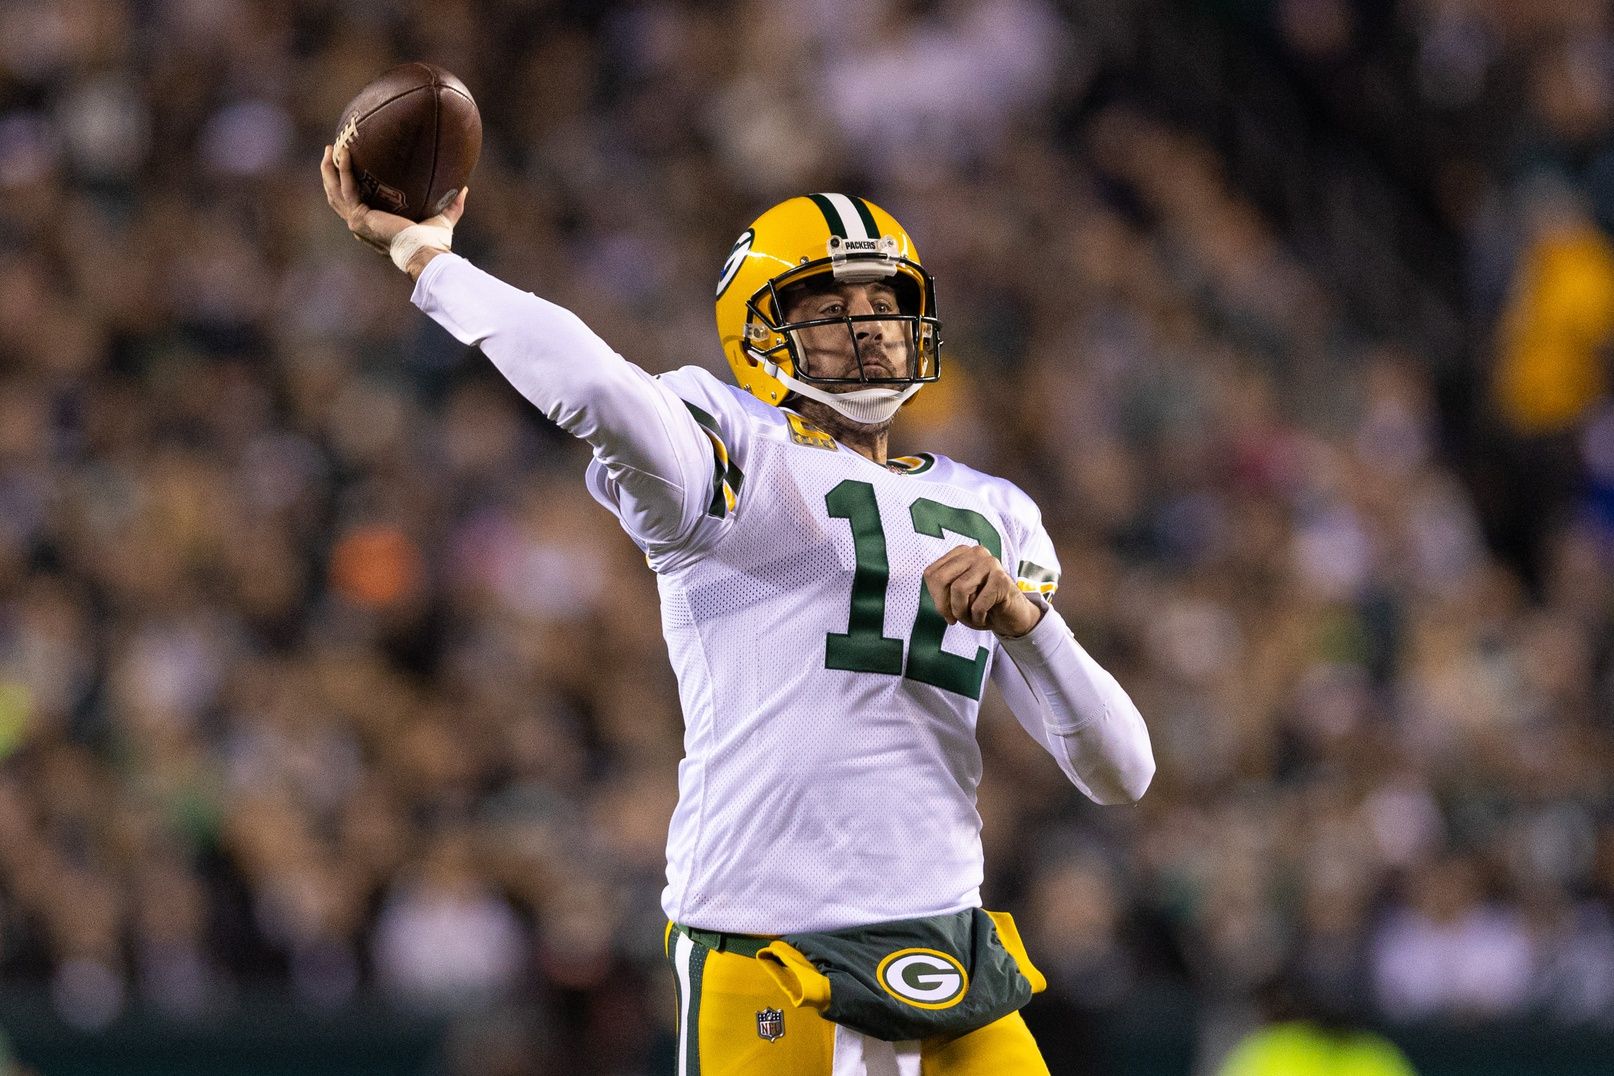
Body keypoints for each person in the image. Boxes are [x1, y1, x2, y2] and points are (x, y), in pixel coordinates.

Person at [321, 146, 1154, 1075]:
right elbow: (595, 388)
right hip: (763, 943)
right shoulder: (729, 441)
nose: (868, 328)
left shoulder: (998, 511)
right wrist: (432, 262)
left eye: (883, 302)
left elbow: (1121, 773)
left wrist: (1032, 628)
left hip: (946, 950)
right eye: (829, 308)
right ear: (758, 332)